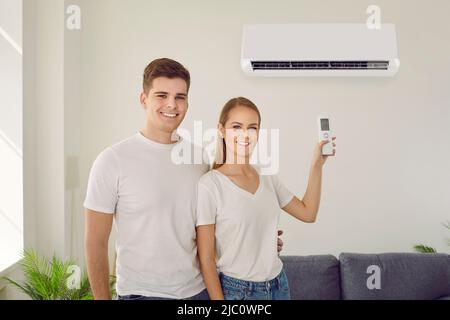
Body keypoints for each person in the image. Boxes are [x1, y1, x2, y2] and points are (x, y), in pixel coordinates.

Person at [83, 59, 284, 300]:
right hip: (143, 294)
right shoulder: (112, 161)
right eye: (161, 95)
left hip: (198, 292)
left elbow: (212, 227)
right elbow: (95, 243)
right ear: (143, 99)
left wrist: (257, 237)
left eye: (180, 97)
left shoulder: (198, 157)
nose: (171, 104)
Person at [196, 97, 336, 300]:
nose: (245, 134)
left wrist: (317, 165)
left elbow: (308, 213)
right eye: (237, 126)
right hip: (238, 291)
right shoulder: (210, 185)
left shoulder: (267, 176)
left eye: (252, 127)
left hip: (279, 285)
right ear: (221, 129)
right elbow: (206, 259)